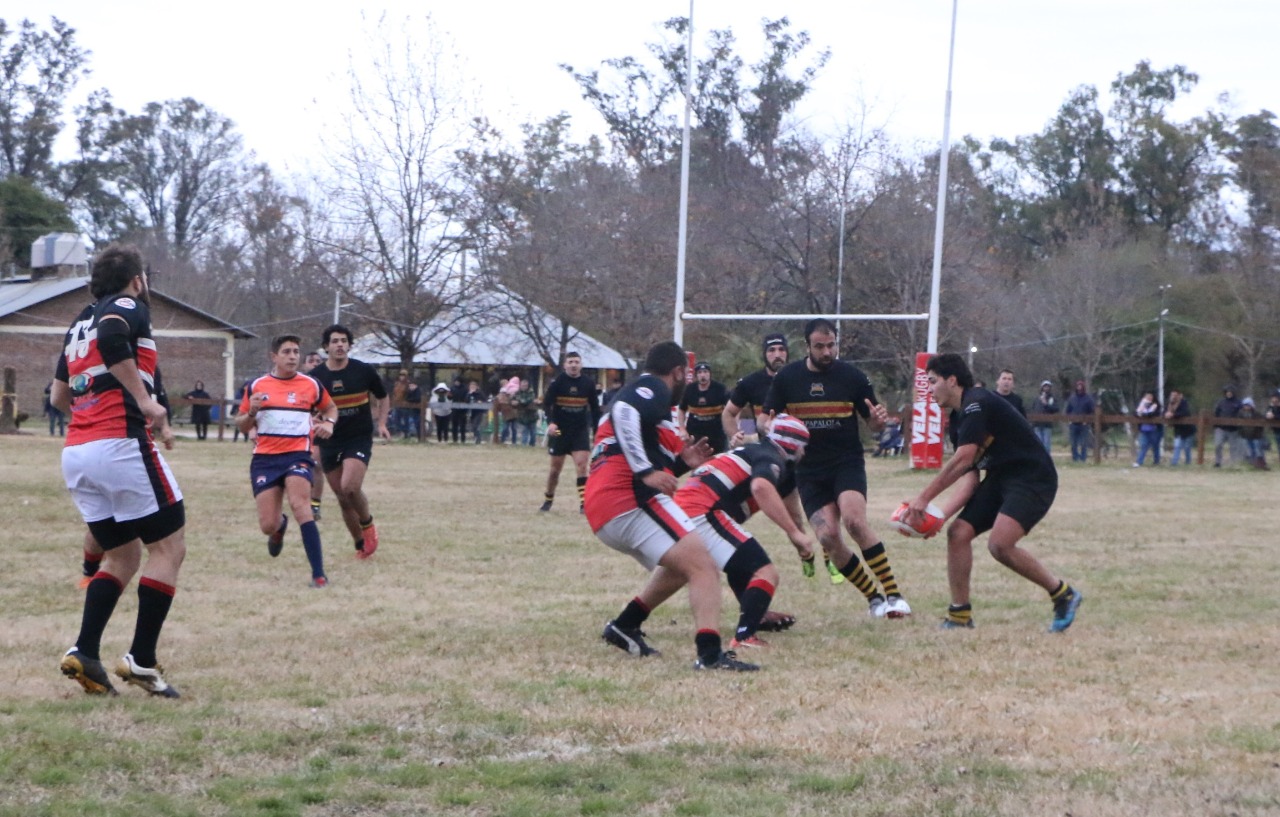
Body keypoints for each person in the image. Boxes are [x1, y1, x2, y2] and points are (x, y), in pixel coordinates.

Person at [51, 243, 185, 698]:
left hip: (78, 451)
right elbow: (112, 337)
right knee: (169, 548)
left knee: (122, 555)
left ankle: (85, 651)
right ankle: (141, 660)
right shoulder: (127, 305)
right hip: (119, 442)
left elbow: (57, 397)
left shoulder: (76, 323)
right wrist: (145, 403)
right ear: (137, 280)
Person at [585, 340, 756, 671]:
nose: (688, 384)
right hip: (626, 499)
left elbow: (631, 436)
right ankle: (709, 655)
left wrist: (678, 464)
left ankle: (625, 625)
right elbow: (623, 411)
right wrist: (646, 471)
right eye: (687, 376)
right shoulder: (652, 389)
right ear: (678, 372)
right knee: (704, 566)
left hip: (606, 505)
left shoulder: (651, 407)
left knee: (684, 566)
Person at [903, 353, 1082, 633]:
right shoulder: (959, 420)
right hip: (1001, 477)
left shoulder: (977, 402)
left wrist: (924, 499)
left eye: (933, 381)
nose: (929, 388)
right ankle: (960, 614)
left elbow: (963, 458)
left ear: (952, 381)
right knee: (958, 533)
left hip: (1032, 476)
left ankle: (1063, 594)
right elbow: (970, 476)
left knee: (999, 545)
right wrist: (938, 517)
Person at [762, 318, 911, 618]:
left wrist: (878, 422)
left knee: (855, 522)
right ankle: (874, 599)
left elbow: (871, 420)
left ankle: (894, 595)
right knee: (828, 536)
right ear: (807, 347)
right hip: (808, 470)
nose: (827, 352)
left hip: (846, 462)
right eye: (820, 346)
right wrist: (772, 428)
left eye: (831, 345)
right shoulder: (787, 378)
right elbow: (766, 419)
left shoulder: (853, 377)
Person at [673, 415, 815, 649]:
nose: (804, 452)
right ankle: (745, 635)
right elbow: (760, 487)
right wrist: (795, 533)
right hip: (701, 510)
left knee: (737, 567)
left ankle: (626, 622)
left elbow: (790, 507)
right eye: (803, 446)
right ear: (792, 444)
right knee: (765, 572)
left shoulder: (769, 458)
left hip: (688, 507)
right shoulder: (770, 458)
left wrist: (797, 535)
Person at [235, 335, 338, 587]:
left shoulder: (311, 385)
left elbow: (331, 408)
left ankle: (319, 574)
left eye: (296, 351)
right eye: (287, 352)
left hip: (298, 456)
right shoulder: (257, 386)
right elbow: (241, 424)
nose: (293, 356)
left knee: (300, 504)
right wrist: (252, 412)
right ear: (274, 357)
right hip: (265, 460)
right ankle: (279, 527)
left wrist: (329, 424)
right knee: (267, 525)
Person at [307, 324, 391, 559]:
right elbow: (307, 409)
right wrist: (314, 420)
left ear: (350, 345)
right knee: (343, 499)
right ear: (326, 347)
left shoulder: (363, 371)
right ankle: (360, 546)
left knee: (350, 487)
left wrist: (382, 423)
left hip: (358, 438)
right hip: (329, 441)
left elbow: (383, 397)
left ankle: (368, 524)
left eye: (344, 340)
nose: (340, 345)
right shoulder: (315, 378)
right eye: (334, 341)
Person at [540, 351, 601, 512]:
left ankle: (583, 504)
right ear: (565, 365)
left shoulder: (588, 383)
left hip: (579, 432)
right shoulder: (557, 382)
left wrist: (597, 431)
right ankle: (548, 499)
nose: (573, 365)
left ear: (581, 364)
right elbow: (547, 404)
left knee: (582, 466)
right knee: (555, 470)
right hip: (560, 432)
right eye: (570, 362)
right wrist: (551, 422)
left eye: (576, 362)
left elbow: (595, 409)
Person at [722, 332, 788, 446]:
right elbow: (728, 413)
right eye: (771, 350)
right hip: (765, 452)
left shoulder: (799, 377)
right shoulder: (751, 382)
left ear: (787, 353)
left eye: (781, 349)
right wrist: (736, 437)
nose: (777, 354)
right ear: (764, 354)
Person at [679, 362, 730, 453]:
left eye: (705, 372)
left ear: (710, 374)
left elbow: (732, 408)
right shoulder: (690, 389)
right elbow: (682, 410)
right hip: (694, 432)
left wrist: (731, 427)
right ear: (696, 375)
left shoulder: (720, 389)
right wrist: (682, 429)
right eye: (700, 372)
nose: (703, 375)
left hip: (716, 433)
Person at [303, 351, 326, 519]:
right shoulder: (300, 383)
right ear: (305, 365)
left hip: (319, 431)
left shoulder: (326, 384)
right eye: (311, 361)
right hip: (298, 431)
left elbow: (332, 408)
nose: (315, 364)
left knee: (316, 465)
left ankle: (315, 504)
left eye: (318, 361)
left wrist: (325, 420)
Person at [1064, 380, 1096, 462]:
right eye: (1078, 386)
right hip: (1073, 424)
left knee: (1083, 443)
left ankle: (1083, 458)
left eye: (1081, 386)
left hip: (1084, 424)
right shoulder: (1072, 398)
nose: (1079, 388)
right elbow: (1068, 411)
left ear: (1083, 387)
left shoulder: (1088, 398)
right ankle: (1075, 458)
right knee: (1073, 443)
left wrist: (1087, 421)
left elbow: (1092, 411)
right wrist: (1069, 420)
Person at [1213, 385, 1242, 467]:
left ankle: (1233, 463)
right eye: (1227, 392)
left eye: (1230, 392)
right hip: (1221, 428)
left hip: (1233, 429)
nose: (1229, 394)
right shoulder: (1220, 402)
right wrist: (1216, 424)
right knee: (1218, 445)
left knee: (1233, 447)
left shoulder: (1238, 402)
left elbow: (1241, 414)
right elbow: (1216, 413)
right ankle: (1218, 462)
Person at [1165, 389, 1195, 466]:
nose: (1173, 397)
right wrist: (1166, 414)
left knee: (1187, 448)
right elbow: (1164, 412)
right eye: (1172, 395)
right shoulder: (1169, 404)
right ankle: (1174, 463)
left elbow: (1185, 412)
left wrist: (1173, 415)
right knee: (1177, 446)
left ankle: (1188, 462)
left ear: (1179, 395)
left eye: (1175, 395)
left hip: (1188, 429)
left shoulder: (1184, 403)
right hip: (1178, 429)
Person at [1133, 391, 1162, 467]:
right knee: (1143, 445)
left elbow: (1152, 414)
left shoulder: (1156, 405)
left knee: (1155, 446)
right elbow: (1136, 413)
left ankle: (1156, 461)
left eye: (1150, 396)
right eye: (1147, 396)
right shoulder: (1141, 404)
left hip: (1153, 429)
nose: (1149, 398)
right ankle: (1139, 461)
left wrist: (1143, 414)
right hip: (1143, 429)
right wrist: (1141, 414)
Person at [1238, 397, 1267, 469]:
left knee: (1258, 449)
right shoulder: (1240, 413)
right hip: (1246, 435)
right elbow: (1238, 423)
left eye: (1248, 405)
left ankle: (1261, 462)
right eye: (1245, 405)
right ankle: (1253, 462)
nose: (1246, 407)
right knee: (1250, 449)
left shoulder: (1256, 413)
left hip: (1256, 435)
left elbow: (1262, 422)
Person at [1031, 380, 1058, 452]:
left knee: (1046, 445)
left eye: (1048, 386)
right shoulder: (1037, 398)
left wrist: (1046, 404)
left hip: (1047, 424)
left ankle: (1047, 460)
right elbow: (1033, 409)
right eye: (1044, 386)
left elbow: (1055, 409)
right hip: (1037, 424)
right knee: (1038, 444)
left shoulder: (1052, 398)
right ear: (1042, 387)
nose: (1046, 388)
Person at [512, 377, 539, 446]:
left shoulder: (531, 392)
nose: (524, 387)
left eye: (525, 385)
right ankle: (524, 445)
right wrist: (513, 402)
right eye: (522, 385)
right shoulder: (517, 392)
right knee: (524, 431)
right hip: (522, 416)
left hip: (532, 415)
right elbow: (512, 401)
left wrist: (519, 401)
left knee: (533, 432)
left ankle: (532, 445)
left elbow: (527, 401)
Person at [497, 377, 521, 444]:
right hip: (506, 412)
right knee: (505, 428)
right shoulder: (502, 394)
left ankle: (514, 442)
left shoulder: (517, 393)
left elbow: (519, 402)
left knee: (514, 428)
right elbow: (501, 401)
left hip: (514, 412)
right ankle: (502, 440)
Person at [465, 379, 488, 444]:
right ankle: (476, 437)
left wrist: (480, 402)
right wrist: (469, 393)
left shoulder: (480, 393)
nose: (472, 387)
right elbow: (466, 401)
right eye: (471, 386)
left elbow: (484, 400)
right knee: (473, 426)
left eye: (473, 386)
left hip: (479, 411)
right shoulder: (469, 393)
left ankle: (478, 439)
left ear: (477, 386)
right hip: (471, 412)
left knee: (475, 425)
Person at [449, 377, 469, 443]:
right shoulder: (452, 388)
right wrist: (449, 396)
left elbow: (467, 398)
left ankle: (463, 440)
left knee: (462, 425)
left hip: (463, 410)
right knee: (454, 425)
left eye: (457, 381)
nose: (456, 383)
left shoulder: (465, 388)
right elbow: (449, 397)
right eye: (455, 381)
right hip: (454, 409)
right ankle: (455, 439)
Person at [1265, 390, 1280, 457]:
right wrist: (1267, 416)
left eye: (1275, 397)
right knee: (1278, 443)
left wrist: (1275, 416)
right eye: (1272, 397)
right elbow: (1265, 414)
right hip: (1275, 429)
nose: (1273, 399)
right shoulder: (1270, 407)